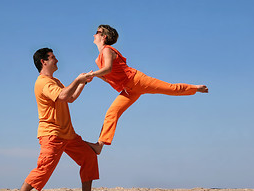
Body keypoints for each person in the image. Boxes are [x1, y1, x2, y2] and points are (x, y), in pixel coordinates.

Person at [85, 25, 209, 155]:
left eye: (97, 32)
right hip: (128, 90)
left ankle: (196, 88)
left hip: (137, 80)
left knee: (170, 88)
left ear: (103, 36)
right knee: (112, 112)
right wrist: (96, 76)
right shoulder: (98, 59)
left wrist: (93, 74)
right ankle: (99, 145)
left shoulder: (107, 50)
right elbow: (108, 76)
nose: (94, 35)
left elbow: (109, 69)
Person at [10, 48, 99, 191]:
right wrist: (77, 79)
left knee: (89, 157)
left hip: (68, 134)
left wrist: (82, 82)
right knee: (44, 168)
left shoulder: (55, 81)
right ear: (43, 61)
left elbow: (70, 98)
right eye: (53, 57)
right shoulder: (43, 82)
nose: (56, 60)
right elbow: (63, 96)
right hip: (51, 133)